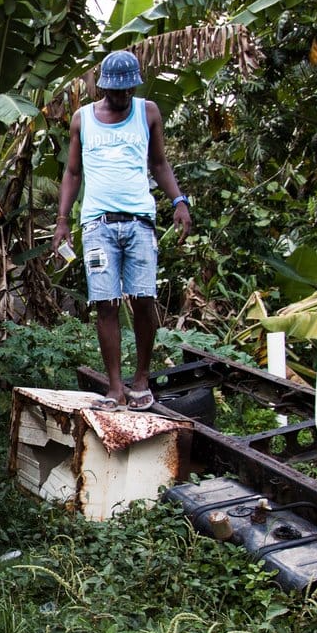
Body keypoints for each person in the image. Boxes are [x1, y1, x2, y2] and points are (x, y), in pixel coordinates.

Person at [54, 49, 192, 411]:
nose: (121, 98)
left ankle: (142, 378)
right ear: (103, 88)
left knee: (144, 300)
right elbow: (72, 173)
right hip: (98, 225)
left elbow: (159, 163)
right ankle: (115, 387)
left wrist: (179, 201)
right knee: (106, 305)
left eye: (127, 91)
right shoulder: (82, 119)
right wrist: (63, 221)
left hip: (140, 223)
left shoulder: (147, 113)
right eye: (116, 92)